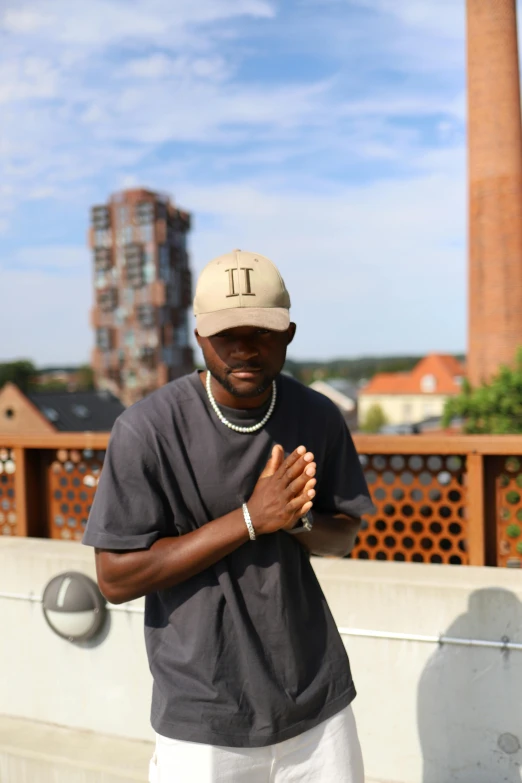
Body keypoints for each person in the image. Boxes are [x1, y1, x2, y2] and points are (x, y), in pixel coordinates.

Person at [83, 249, 375, 783]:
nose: (244, 348)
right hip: (203, 714)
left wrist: (296, 521)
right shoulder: (146, 429)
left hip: (316, 703)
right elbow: (114, 578)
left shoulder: (318, 415)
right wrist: (249, 518)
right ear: (199, 337)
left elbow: (344, 537)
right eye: (226, 334)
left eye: (261, 332)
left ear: (287, 334)